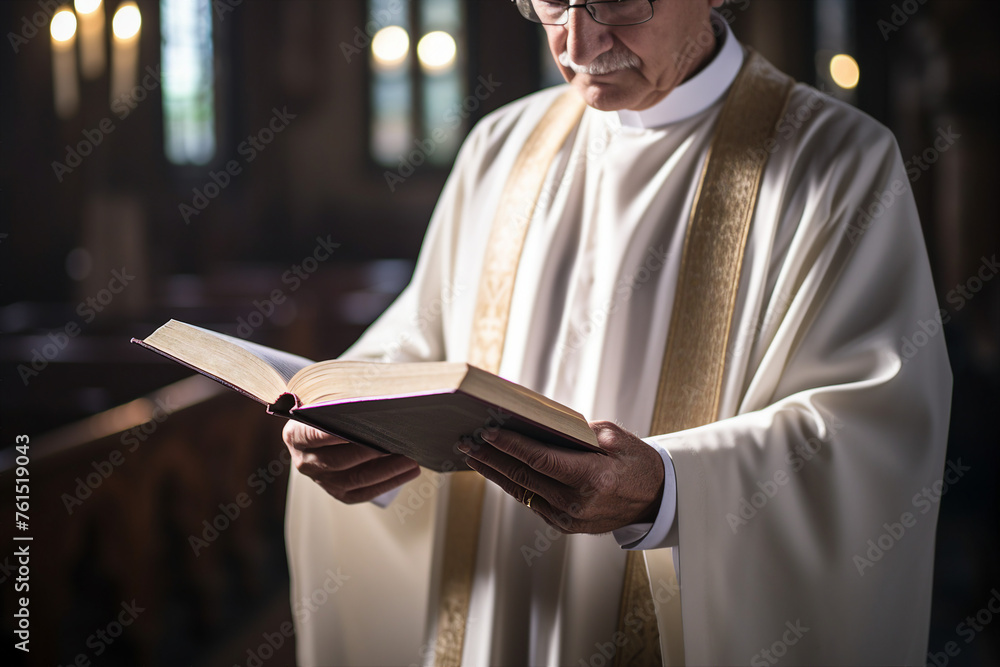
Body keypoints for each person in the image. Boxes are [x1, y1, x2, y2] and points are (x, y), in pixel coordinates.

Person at [283, 0, 952, 664]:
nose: (578, 42)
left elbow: (871, 434)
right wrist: (355, 424)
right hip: (502, 607)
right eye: (551, 5)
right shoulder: (500, 147)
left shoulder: (841, 163)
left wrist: (668, 489)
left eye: (617, 1)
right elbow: (420, 336)